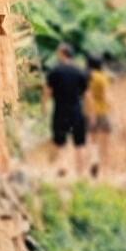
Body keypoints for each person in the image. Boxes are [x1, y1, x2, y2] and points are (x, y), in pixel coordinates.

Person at [44, 41, 90, 175]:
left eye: (58, 52)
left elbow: (47, 91)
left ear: (63, 53)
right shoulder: (80, 71)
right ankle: (80, 172)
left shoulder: (55, 71)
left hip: (60, 108)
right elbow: (87, 94)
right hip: (76, 109)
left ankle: (62, 166)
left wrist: (44, 106)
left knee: (60, 139)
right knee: (79, 142)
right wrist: (89, 111)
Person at [84, 53, 115, 179]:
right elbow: (107, 96)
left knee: (93, 141)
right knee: (105, 145)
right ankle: (106, 172)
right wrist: (113, 108)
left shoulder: (86, 77)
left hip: (90, 112)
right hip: (103, 112)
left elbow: (87, 95)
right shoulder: (103, 77)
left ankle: (94, 160)